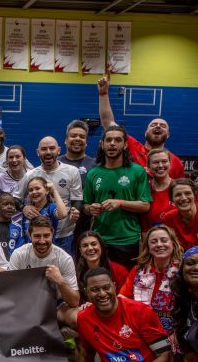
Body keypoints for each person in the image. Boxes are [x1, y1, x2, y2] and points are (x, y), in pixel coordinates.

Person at [83, 125, 151, 268]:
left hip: (127, 240)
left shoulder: (137, 171)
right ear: (102, 144)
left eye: (117, 140)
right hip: (100, 240)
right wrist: (91, 209)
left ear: (125, 145)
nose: (112, 143)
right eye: (108, 140)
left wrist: (120, 203)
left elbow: (145, 205)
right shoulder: (93, 173)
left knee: (125, 285)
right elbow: (86, 206)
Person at [97, 75, 185, 179]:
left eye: (163, 126)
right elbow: (108, 122)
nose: (158, 126)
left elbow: (179, 189)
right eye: (153, 125)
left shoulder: (175, 161)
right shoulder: (132, 146)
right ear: (145, 133)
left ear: (168, 135)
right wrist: (103, 94)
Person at [14, 136, 82, 254]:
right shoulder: (31, 175)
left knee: (63, 269)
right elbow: (15, 198)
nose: (48, 152)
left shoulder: (72, 171)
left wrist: (75, 211)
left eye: (52, 148)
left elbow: (77, 199)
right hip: (39, 236)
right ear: (38, 152)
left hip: (65, 233)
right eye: (44, 149)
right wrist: (23, 207)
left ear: (59, 150)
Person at [119, 225, 183, 347]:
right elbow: (123, 299)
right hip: (143, 329)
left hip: (176, 330)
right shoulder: (138, 271)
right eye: (153, 242)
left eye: (164, 240)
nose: (159, 244)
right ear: (148, 247)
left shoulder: (183, 271)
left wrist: (177, 333)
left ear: (173, 243)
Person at [7, 215, 79, 308]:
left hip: (57, 305)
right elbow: (9, 290)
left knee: (75, 316)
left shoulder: (65, 258)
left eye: (46, 235)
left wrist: (60, 281)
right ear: (29, 235)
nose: (42, 241)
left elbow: (74, 302)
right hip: (25, 304)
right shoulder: (19, 254)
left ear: (52, 233)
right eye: (37, 236)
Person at [75, 231, 128, 296]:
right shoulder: (75, 273)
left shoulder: (119, 270)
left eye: (94, 244)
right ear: (80, 251)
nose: (90, 248)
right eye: (85, 246)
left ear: (101, 246)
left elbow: (124, 298)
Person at [141, 148, 175, 232]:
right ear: (148, 167)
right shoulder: (143, 189)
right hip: (153, 240)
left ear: (170, 164)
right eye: (156, 162)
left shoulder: (179, 187)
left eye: (164, 161)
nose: (160, 165)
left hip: (178, 240)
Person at [0, 193, 24, 260]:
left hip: (11, 264)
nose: (10, 207)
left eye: (12, 204)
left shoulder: (18, 227)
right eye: (5, 204)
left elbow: (19, 249)